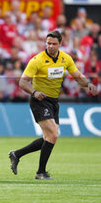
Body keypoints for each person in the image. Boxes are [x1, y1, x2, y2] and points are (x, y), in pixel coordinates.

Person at [9, 30, 98, 180]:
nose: (50, 46)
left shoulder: (66, 58)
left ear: (60, 44)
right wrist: (34, 92)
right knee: (53, 134)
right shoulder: (36, 60)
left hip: (53, 101)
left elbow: (77, 76)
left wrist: (88, 83)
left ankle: (17, 154)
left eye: (53, 44)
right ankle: (40, 172)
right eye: (48, 43)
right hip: (39, 100)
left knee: (50, 137)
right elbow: (23, 82)